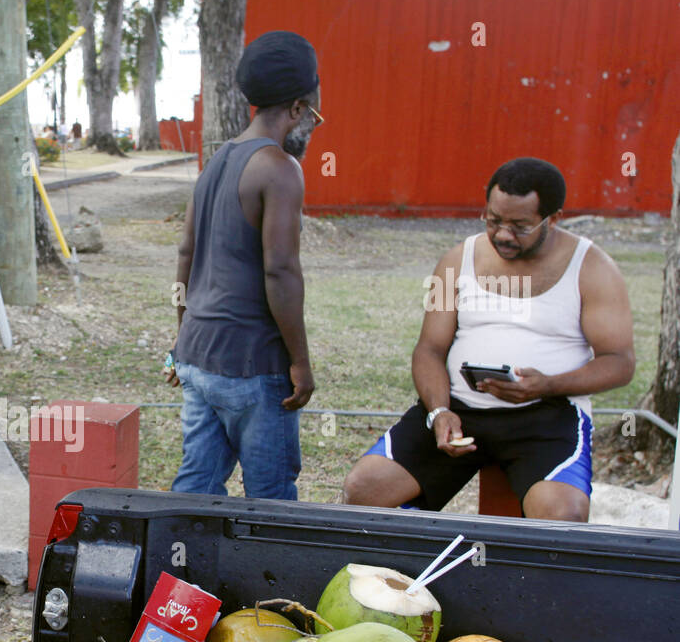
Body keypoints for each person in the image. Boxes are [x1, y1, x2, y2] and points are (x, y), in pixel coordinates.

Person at [341, 158, 635, 521]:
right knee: (363, 490)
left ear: (554, 218)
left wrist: (547, 385)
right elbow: (429, 349)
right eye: (494, 220)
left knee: (563, 515)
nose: (503, 234)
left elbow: (620, 363)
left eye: (519, 226)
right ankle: (412, 573)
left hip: (546, 416)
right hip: (459, 412)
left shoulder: (593, 268)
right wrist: (438, 411)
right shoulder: (455, 260)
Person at [166, 30, 320, 499]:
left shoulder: (216, 160)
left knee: (198, 483)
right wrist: (300, 362)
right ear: (297, 108)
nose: (314, 119)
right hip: (254, 366)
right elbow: (280, 271)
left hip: (198, 354)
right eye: (312, 110)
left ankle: (178, 567)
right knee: (270, 494)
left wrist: (181, 336)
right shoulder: (279, 168)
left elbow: (185, 254)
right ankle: (266, 574)